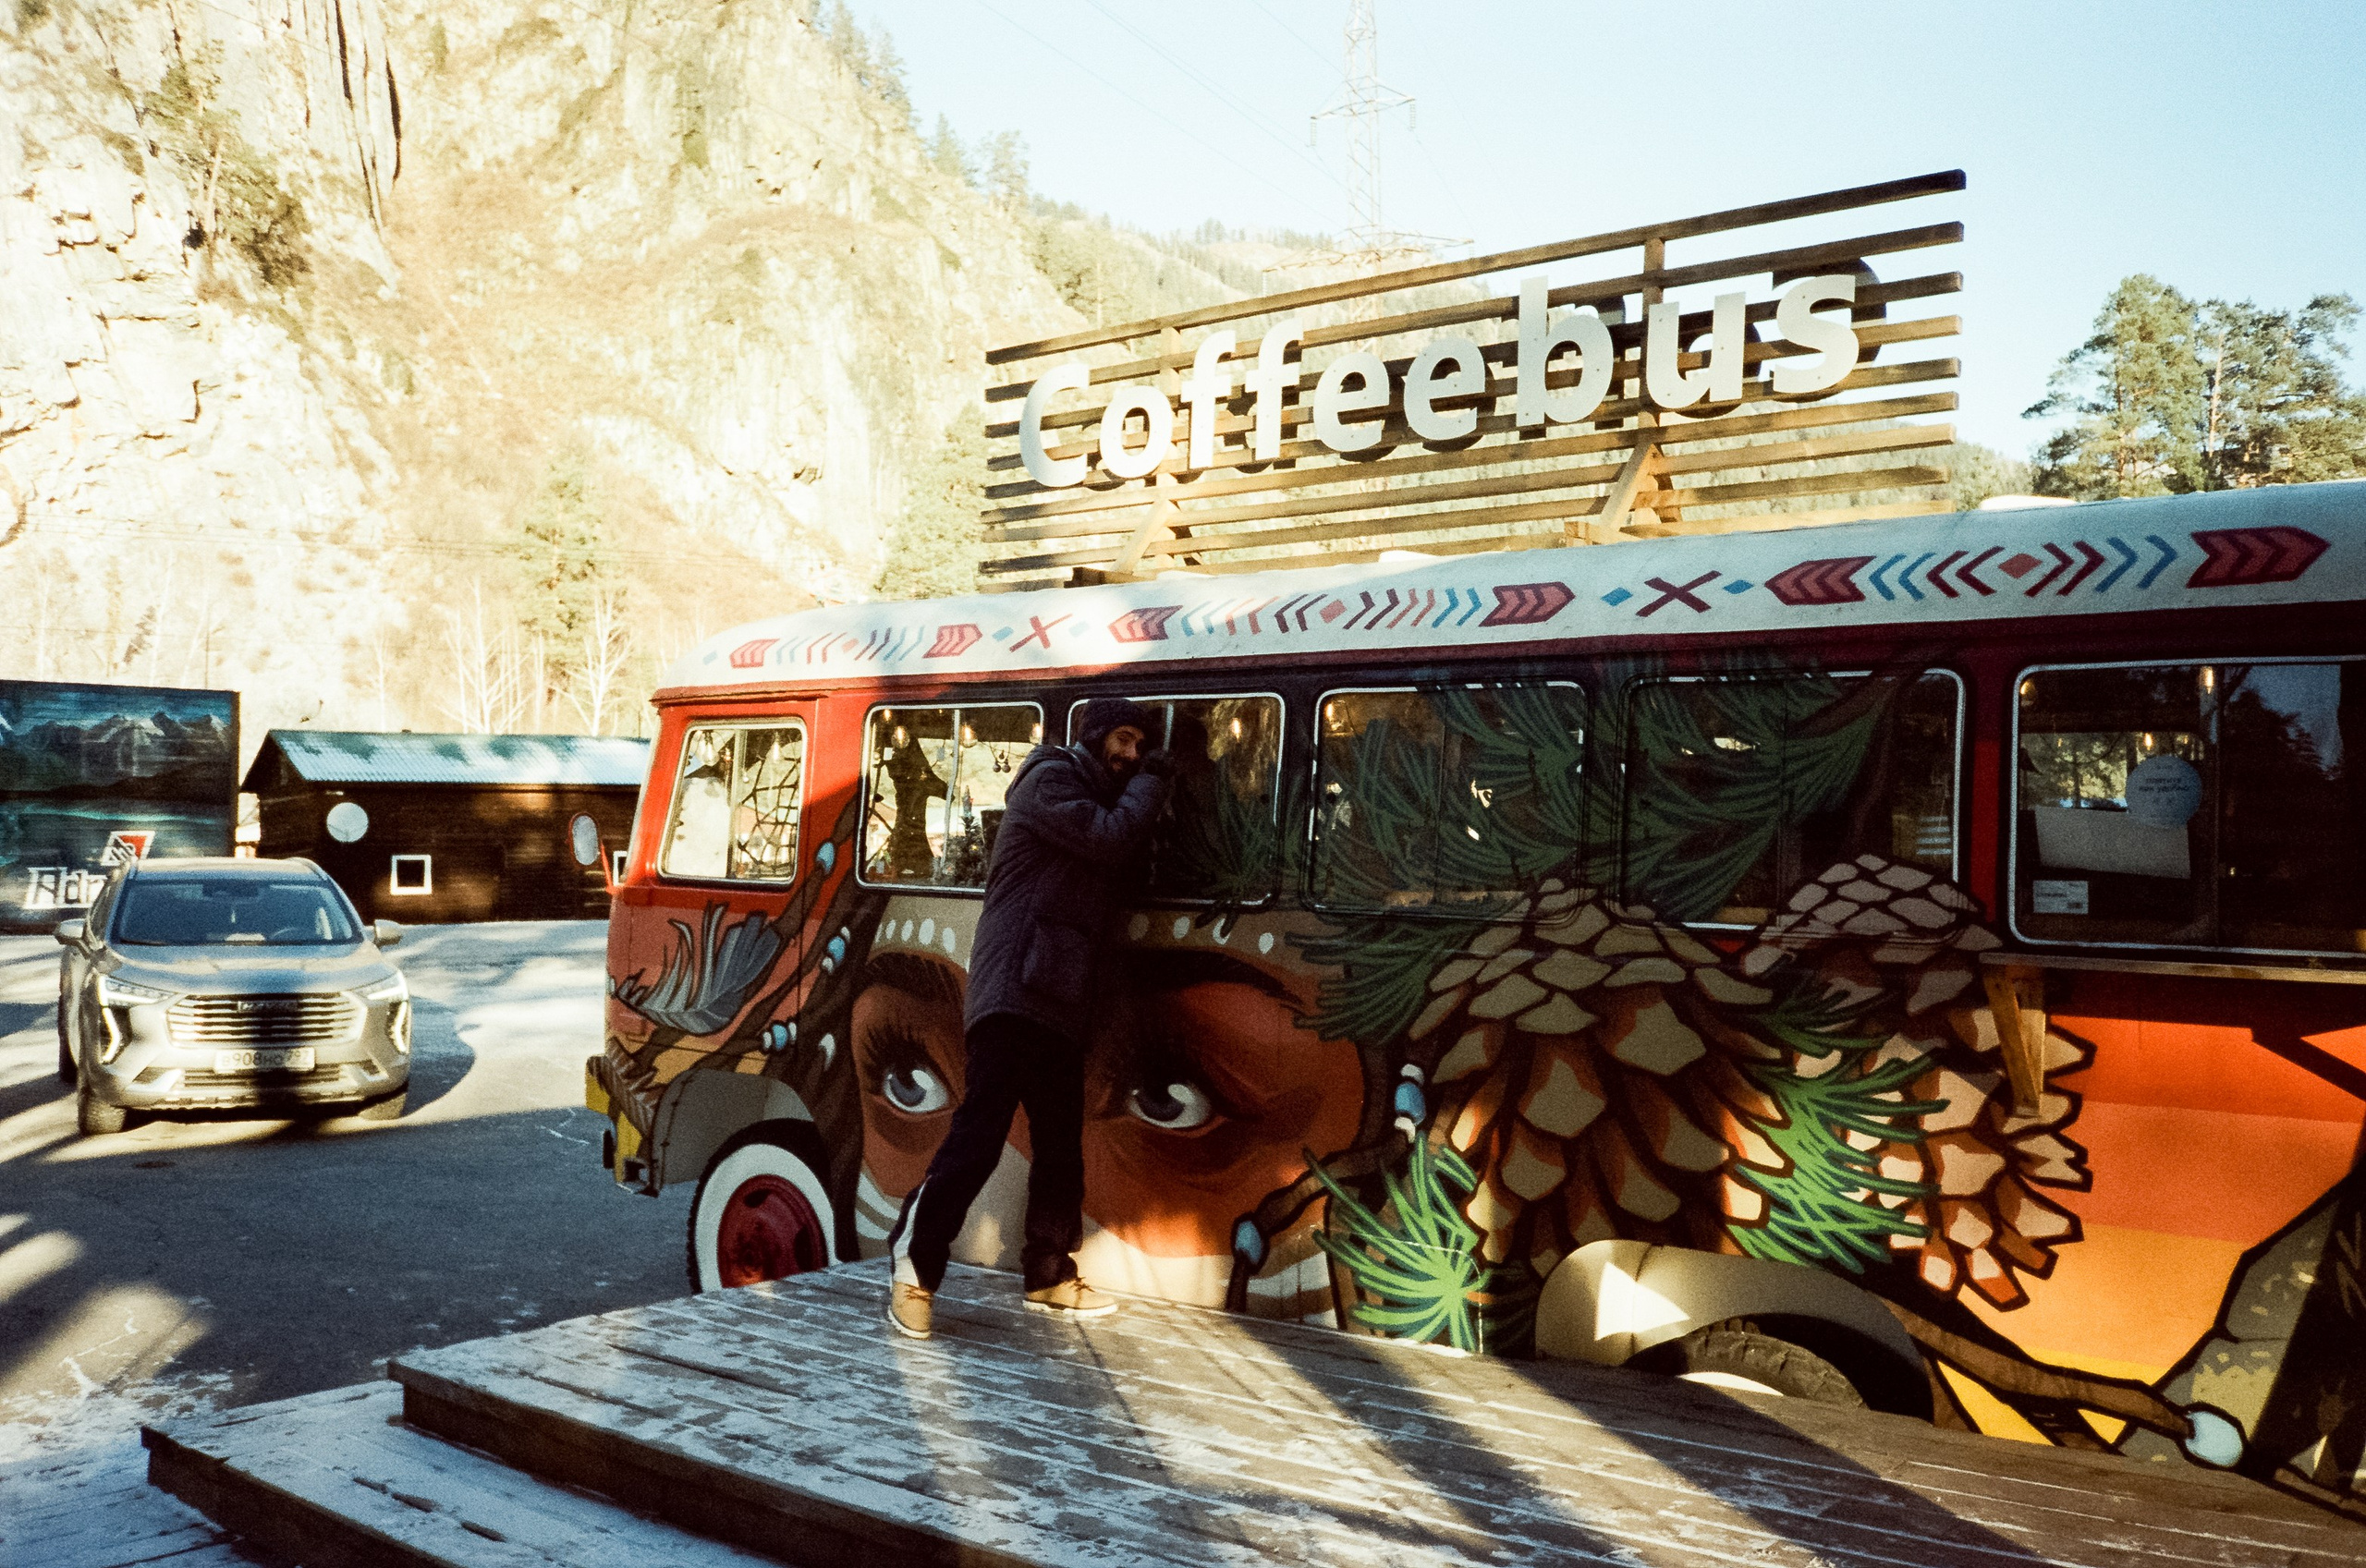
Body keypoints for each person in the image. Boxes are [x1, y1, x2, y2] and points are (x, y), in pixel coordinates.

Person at [884, 697, 1172, 1338]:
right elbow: (1111, 837)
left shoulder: (1093, 793)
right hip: (1015, 986)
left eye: (1138, 745)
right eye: (1122, 740)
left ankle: (1046, 1271)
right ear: (1093, 736)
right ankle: (914, 1265)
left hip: (1060, 994)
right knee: (980, 1132)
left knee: (1060, 1143)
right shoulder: (1050, 780)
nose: (1129, 754)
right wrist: (1157, 776)